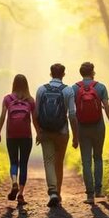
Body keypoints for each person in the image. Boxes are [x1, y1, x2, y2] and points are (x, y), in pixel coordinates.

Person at [72, 62, 109, 205]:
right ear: (93, 72)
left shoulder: (74, 88)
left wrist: (74, 132)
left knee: (86, 161)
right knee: (98, 157)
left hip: (82, 127)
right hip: (98, 126)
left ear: (81, 73)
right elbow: (107, 108)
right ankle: (99, 191)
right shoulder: (101, 87)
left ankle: (90, 195)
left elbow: (72, 113)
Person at [35, 63, 78, 207]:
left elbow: (36, 114)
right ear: (63, 74)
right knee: (59, 162)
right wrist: (75, 136)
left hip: (46, 131)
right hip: (62, 131)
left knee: (48, 161)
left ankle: (52, 191)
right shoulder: (68, 90)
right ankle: (57, 193)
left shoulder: (41, 89)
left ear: (50, 73)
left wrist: (38, 132)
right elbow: (72, 114)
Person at [0, 74, 39, 206]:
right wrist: (38, 133)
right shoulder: (30, 100)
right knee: (24, 164)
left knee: (13, 161)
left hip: (11, 135)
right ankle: (20, 194)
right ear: (26, 85)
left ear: (14, 84)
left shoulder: (7, 99)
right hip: (26, 136)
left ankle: (14, 182)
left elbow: (3, 116)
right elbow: (35, 119)